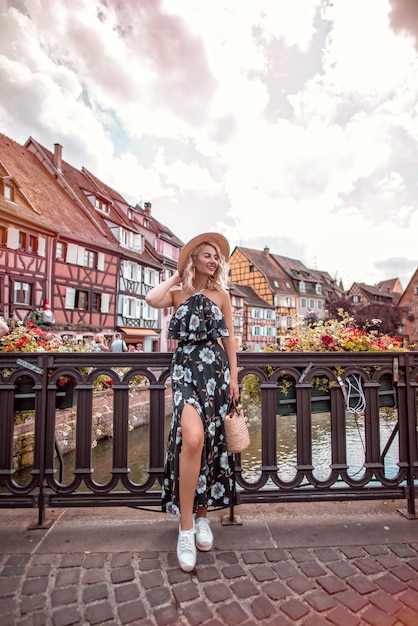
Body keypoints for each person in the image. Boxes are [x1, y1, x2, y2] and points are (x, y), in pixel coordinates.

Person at [145, 232, 239, 572]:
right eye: (208, 255)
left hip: (215, 374)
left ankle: (202, 517)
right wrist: (177, 270)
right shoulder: (178, 293)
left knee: (210, 444)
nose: (214, 261)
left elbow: (230, 341)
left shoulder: (222, 295)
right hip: (185, 371)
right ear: (194, 259)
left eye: (217, 257)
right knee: (193, 438)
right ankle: (185, 528)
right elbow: (151, 298)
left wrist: (235, 380)